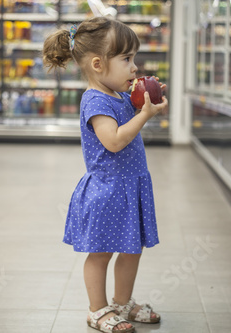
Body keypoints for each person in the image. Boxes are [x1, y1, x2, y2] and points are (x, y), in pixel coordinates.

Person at [43, 15, 168, 333]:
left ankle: (122, 302)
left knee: (131, 250)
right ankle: (97, 310)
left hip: (131, 188)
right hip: (108, 190)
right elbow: (113, 141)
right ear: (98, 64)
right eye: (127, 59)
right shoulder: (95, 101)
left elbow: (131, 118)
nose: (134, 67)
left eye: (134, 58)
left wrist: (146, 99)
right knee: (100, 254)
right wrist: (145, 115)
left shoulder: (120, 95)